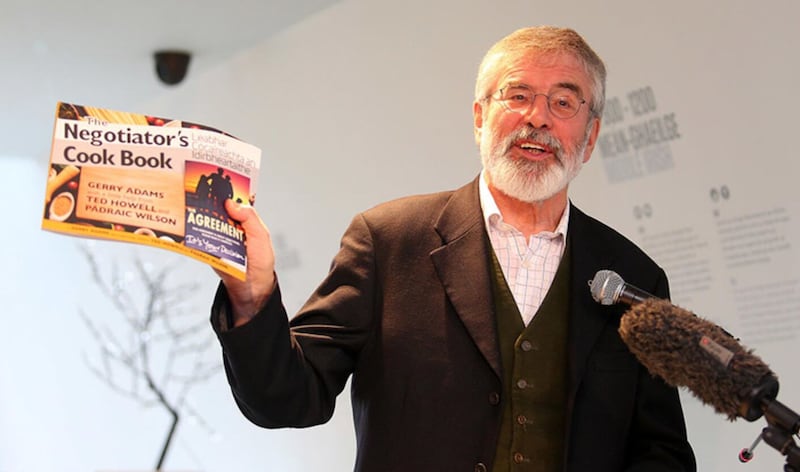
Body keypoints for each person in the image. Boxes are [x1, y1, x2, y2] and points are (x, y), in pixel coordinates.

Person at [210, 26, 696, 472]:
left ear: (590, 137)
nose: (537, 117)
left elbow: (662, 451)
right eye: (518, 95)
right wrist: (252, 297)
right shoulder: (388, 241)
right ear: (480, 118)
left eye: (564, 103)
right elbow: (288, 397)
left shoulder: (633, 275)